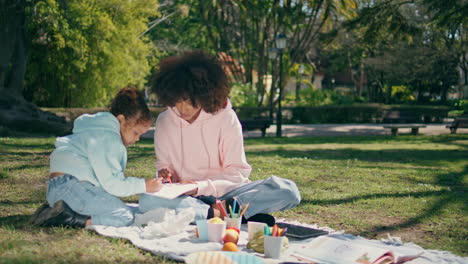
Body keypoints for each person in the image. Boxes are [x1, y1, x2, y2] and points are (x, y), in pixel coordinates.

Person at [139, 51, 301, 225]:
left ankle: (217, 212)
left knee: (287, 190)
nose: (181, 108)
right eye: (176, 101)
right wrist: (165, 175)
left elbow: (236, 175)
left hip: (228, 194)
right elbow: (164, 168)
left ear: (203, 94)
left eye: (187, 100)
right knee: (146, 200)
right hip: (189, 197)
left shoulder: (226, 119)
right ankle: (229, 214)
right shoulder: (164, 121)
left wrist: (198, 186)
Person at [30, 87, 162, 228]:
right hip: (72, 189)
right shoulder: (108, 138)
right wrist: (144, 186)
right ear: (121, 120)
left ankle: (55, 211)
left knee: (122, 208)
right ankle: (67, 218)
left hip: (58, 190)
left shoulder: (96, 130)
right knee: (125, 216)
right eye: (136, 133)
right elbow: (112, 184)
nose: (137, 139)